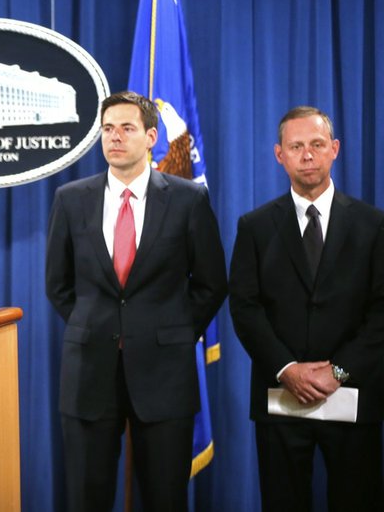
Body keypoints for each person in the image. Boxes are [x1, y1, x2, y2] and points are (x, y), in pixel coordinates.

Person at [45, 90, 227, 511]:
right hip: (90, 372)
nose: (115, 138)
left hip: (164, 374)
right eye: (108, 129)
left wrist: (172, 332)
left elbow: (212, 283)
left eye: (127, 128)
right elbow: (58, 284)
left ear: (150, 137)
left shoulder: (187, 200)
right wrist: (98, 327)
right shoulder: (71, 200)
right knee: (87, 498)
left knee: (165, 499)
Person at [229, 106, 384, 511]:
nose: (308, 155)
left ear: (335, 149)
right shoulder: (255, 226)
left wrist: (337, 371)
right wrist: (287, 369)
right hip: (282, 396)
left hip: (352, 394)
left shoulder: (374, 225)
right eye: (296, 147)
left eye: (317, 145)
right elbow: (245, 308)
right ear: (280, 155)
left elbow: (382, 312)